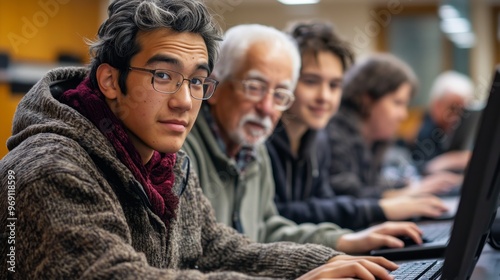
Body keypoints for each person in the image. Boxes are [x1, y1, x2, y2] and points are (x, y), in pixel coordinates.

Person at [0, 1, 400, 279]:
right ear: (109, 80)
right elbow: (114, 274)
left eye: (195, 80)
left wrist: (334, 260)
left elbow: (214, 246)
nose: (185, 101)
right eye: (163, 76)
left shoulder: (164, 161)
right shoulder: (49, 168)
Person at [182, 23, 425, 255]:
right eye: (254, 87)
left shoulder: (255, 149)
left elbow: (265, 229)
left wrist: (344, 241)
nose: (267, 108)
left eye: (279, 94)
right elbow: (203, 258)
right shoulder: (181, 154)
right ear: (212, 86)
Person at [266, 21, 450, 231]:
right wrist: (382, 209)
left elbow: (326, 206)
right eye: (310, 81)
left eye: (334, 85)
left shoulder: (316, 139)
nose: (324, 96)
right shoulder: (267, 142)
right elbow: (278, 216)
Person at [326, 54, 463, 199]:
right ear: (367, 99)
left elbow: (371, 187)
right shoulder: (334, 136)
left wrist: (412, 186)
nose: (403, 115)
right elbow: (347, 198)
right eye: (397, 103)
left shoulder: (375, 142)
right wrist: (408, 192)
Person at [410, 70, 475, 174]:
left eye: (462, 111)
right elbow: (421, 168)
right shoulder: (422, 130)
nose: (457, 117)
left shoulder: (454, 128)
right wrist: (452, 160)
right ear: (437, 105)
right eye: (452, 108)